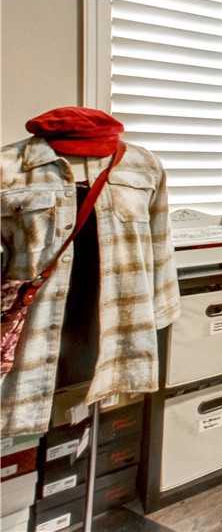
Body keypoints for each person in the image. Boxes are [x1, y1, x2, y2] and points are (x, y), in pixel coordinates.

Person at [1, 107, 180, 436]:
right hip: (33, 339)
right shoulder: (8, 168)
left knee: (92, 425)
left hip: (116, 332)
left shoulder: (145, 167)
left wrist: (159, 315)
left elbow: (159, 248)